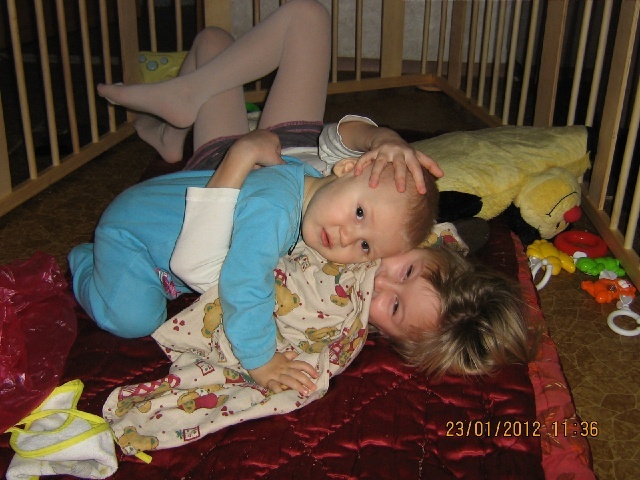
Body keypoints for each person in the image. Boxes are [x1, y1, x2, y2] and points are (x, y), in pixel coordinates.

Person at [69, 0, 441, 389]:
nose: (347, 236)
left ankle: (175, 126)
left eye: (365, 246)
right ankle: (84, 262)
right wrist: (261, 359)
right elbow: (242, 280)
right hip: (138, 231)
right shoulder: (278, 208)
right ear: (347, 168)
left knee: (214, 40)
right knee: (134, 320)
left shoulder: (323, 197)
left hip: (183, 197)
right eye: (359, 214)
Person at [169, 129, 534, 395]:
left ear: (389, 336)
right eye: (407, 271)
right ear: (426, 247)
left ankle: (173, 123)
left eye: (393, 306)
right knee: (306, 37)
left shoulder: (338, 302)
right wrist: (384, 139)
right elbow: (335, 138)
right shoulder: (388, 206)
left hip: (221, 171)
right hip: (283, 142)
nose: (382, 281)